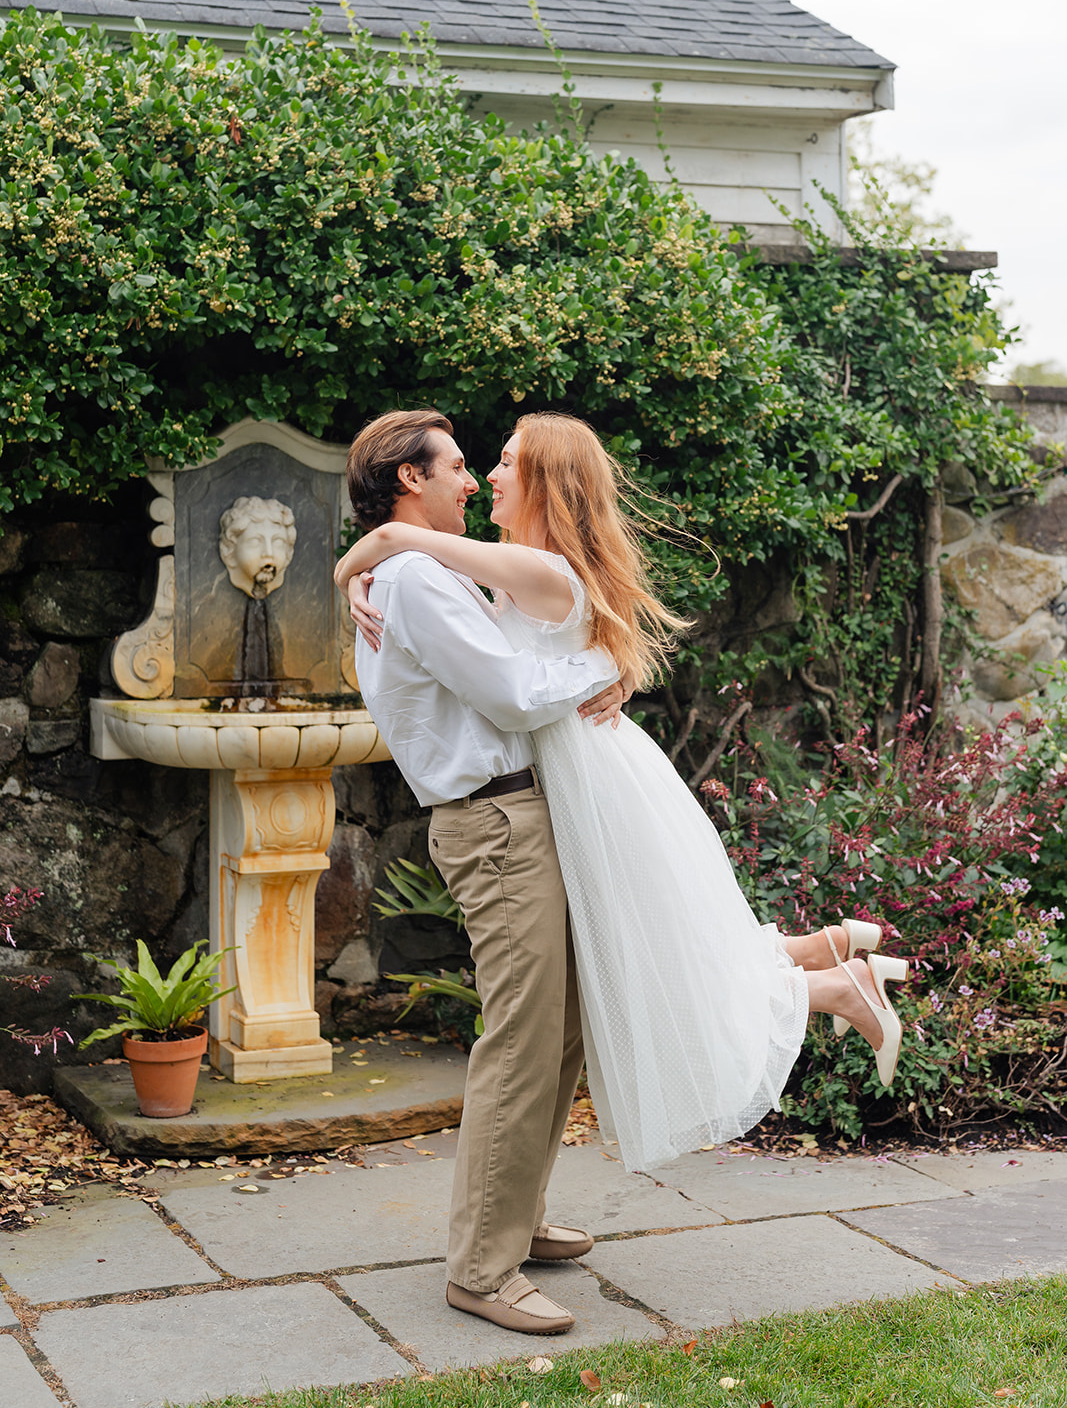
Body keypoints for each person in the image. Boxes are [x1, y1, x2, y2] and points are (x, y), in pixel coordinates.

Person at [337, 411, 909, 1182]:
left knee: (639, 954)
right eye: (475, 465)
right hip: (572, 773)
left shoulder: (532, 569)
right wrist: (363, 567)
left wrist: (374, 551)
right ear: (412, 477)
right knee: (640, 947)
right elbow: (425, 577)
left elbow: (417, 560)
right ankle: (820, 968)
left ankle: (824, 980)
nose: (485, 479)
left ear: (541, 482)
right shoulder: (509, 562)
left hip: (583, 777)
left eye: (503, 463)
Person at [343, 408, 629, 1339]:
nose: (471, 481)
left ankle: (517, 1219)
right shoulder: (417, 578)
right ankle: (480, 1269)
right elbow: (508, 693)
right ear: (408, 482)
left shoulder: (425, 571)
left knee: (562, 1030)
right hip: (495, 820)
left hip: (520, 811)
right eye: (458, 467)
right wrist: (598, 663)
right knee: (520, 1036)